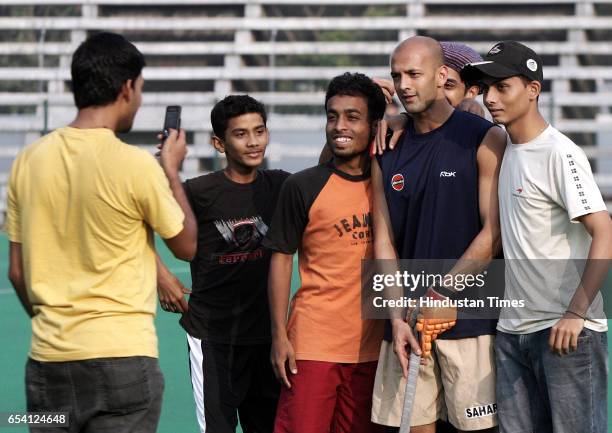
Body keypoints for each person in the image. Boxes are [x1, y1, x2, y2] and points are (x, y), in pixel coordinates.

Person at [6, 32, 197, 432]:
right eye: (140, 89)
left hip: (46, 364)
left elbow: (17, 273)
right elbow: (187, 246)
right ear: (127, 88)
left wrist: (55, 325)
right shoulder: (135, 165)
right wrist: (172, 171)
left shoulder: (28, 161)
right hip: (123, 363)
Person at [462, 40, 612, 433]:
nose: (491, 98)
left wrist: (576, 314)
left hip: (564, 334)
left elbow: (605, 230)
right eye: (486, 88)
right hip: (512, 333)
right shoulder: (504, 146)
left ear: (533, 90)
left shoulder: (560, 153)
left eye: (502, 86)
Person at [370, 36, 507, 433]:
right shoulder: (386, 148)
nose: (404, 84)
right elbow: (384, 241)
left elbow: (492, 232)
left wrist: (442, 294)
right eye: (397, 75)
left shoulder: (484, 137)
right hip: (407, 327)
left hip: (472, 323)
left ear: (441, 75)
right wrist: (395, 317)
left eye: (414, 73)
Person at [156, 95, 289, 433]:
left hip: (267, 337)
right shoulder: (198, 191)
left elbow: (326, 172)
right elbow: (132, 220)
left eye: (259, 131)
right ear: (219, 143)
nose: (253, 141)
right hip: (213, 338)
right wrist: (160, 276)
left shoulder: (280, 185)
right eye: (240, 134)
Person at [264, 72, 386, 433]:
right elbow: (281, 258)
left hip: (374, 348)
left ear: (374, 124)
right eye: (332, 116)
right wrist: (279, 335)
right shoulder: (302, 186)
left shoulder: (393, 184)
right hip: (313, 346)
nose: (338, 126)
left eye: (352, 116)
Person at [374, 41, 485, 153]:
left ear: (471, 93)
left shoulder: (486, 137)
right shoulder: (396, 134)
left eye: (448, 85)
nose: (438, 90)